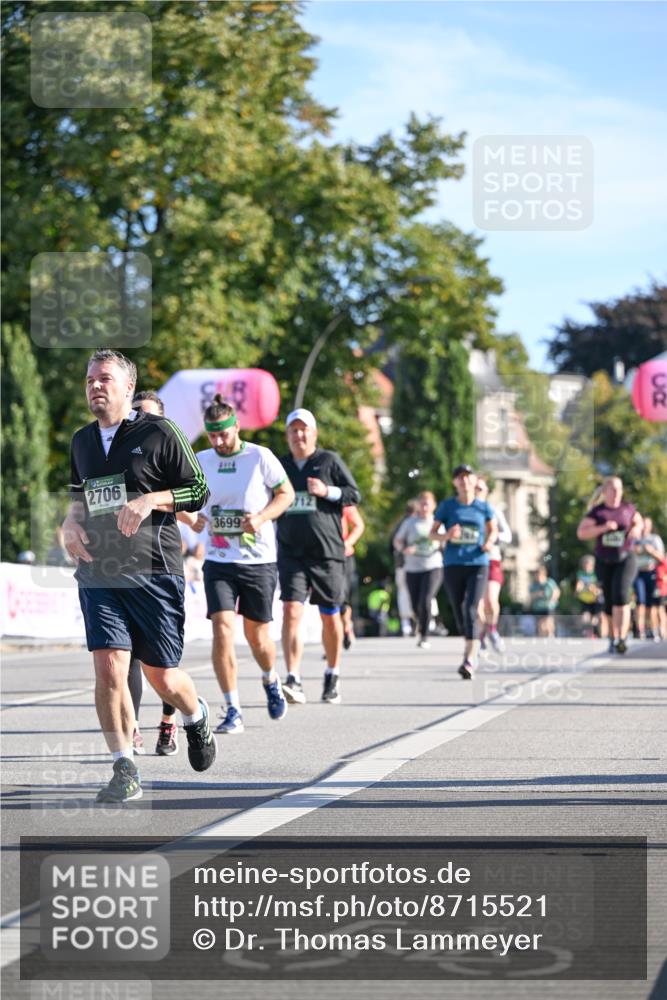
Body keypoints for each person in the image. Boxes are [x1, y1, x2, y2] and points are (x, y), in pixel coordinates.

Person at [62, 349, 216, 802]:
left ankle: (196, 714)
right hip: (99, 570)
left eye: (104, 378)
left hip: (154, 569)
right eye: (90, 378)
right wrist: (70, 523)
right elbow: (77, 496)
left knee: (162, 676)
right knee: (109, 667)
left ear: (128, 387)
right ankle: (124, 766)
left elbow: (198, 490)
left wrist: (151, 500)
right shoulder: (81, 441)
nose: (94, 386)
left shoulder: (160, 432)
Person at [192, 396, 294, 734]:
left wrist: (262, 517)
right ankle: (233, 708)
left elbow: (286, 494)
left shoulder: (259, 456)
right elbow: (178, 497)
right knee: (222, 629)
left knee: (257, 637)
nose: (218, 442)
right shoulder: (202, 460)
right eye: (212, 436)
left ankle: (270, 677)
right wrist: (193, 518)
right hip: (219, 559)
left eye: (223, 434)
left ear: (236, 427)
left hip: (258, 560)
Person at [131, 389, 203, 756]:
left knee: (162, 663)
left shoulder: (167, 449)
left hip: (161, 566)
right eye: (135, 413)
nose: (140, 420)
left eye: (148, 415)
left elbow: (194, 503)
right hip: (120, 567)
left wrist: (190, 516)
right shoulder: (119, 452)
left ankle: (169, 721)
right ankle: (129, 728)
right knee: (122, 655)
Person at [277, 408, 361, 705]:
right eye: (293, 430)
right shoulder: (280, 465)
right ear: (287, 435)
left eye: (304, 430)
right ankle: (293, 677)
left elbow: (354, 494)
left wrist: (327, 491)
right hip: (290, 551)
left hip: (326, 553)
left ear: (313, 433)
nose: (299, 435)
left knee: (330, 615)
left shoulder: (328, 461)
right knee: (291, 611)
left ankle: (332, 673)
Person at [432, 465, 498, 679]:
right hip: (453, 563)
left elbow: (494, 529)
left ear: (473, 481)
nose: (464, 481)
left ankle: (469, 659)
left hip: (478, 562)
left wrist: (488, 542)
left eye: (467, 477)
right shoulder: (447, 506)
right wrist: (447, 536)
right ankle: (473, 644)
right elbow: (432, 534)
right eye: (459, 478)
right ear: (455, 483)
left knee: (471, 608)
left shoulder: (483, 507)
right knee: (460, 612)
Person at [576, 476, 642, 654]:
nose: (617, 493)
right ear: (605, 491)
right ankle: (613, 637)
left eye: (619, 489)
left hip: (626, 557)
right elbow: (581, 533)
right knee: (609, 601)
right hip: (604, 560)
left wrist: (636, 529)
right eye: (613, 489)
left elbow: (638, 521)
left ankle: (622, 637)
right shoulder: (598, 512)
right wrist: (603, 528)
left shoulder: (627, 508)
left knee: (621, 594)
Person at [393, 491, 443, 649]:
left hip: (433, 566)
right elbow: (397, 541)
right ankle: (420, 623)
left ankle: (425, 636)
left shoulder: (438, 522)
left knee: (426, 598)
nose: (425, 506)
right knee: (415, 604)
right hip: (412, 567)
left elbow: (445, 540)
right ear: (418, 505)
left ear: (433, 505)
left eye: (428, 503)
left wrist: (445, 540)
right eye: (422, 503)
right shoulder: (410, 522)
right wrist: (404, 548)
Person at [474, 476, 512, 652]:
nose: (476, 492)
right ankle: (481, 637)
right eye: (474, 488)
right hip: (472, 561)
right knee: (478, 603)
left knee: (491, 600)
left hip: (492, 559)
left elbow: (507, 535)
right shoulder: (463, 511)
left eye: (480, 489)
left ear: (486, 491)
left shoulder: (493, 511)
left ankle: (492, 630)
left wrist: (493, 539)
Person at [633, 516, 664, 640]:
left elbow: (661, 558)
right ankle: (640, 630)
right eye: (643, 524)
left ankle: (653, 629)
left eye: (647, 525)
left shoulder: (654, 539)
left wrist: (651, 551)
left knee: (652, 604)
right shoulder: (635, 539)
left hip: (651, 573)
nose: (645, 527)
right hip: (637, 573)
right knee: (640, 602)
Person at [391, 500, 419, 636]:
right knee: (415, 592)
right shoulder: (411, 524)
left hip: (402, 564)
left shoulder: (399, 524)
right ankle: (418, 621)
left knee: (404, 592)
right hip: (407, 563)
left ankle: (407, 622)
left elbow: (390, 545)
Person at [340, 504, 365, 650]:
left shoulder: (342, 498)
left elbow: (358, 525)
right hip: (322, 555)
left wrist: (347, 543)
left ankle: (346, 627)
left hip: (344, 556)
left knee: (343, 597)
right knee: (328, 599)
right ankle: (333, 640)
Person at [575, 554, 604, 637]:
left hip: (595, 600)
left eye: (588, 564)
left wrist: (593, 589)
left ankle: (596, 633)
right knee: (585, 617)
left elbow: (599, 589)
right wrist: (578, 590)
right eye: (585, 564)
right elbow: (579, 584)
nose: (586, 566)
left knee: (595, 619)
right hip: (585, 599)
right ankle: (587, 632)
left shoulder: (596, 574)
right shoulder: (580, 573)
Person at [529, 565, 561, 638]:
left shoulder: (549, 582)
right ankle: (542, 637)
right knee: (541, 624)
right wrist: (538, 594)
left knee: (548, 621)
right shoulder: (534, 585)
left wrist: (552, 599)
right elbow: (531, 596)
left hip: (549, 607)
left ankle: (550, 635)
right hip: (538, 607)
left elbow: (556, 591)